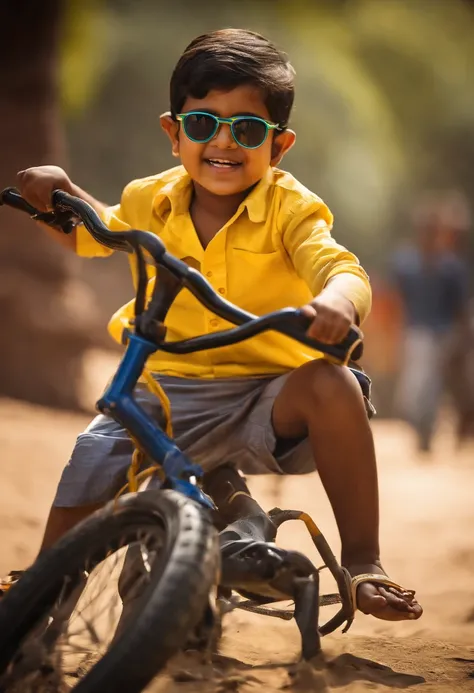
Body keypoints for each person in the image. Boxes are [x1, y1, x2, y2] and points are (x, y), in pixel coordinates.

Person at [4, 29, 421, 622]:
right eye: (203, 124)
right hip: (163, 391)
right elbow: (99, 232)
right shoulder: (150, 200)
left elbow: (340, 266)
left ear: (278, 147)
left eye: (247, 130)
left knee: (336, 384)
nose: (224, 142)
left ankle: (362, 562)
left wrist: (337, 302)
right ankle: (42, 586)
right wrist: (63, 195)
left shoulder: (292, 209)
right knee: (93, 456)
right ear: (174, 134)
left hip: (266, 399)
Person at [392, 192, 470, 453]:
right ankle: (420, 428)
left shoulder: (451, 267)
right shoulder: (407, 263)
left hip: (443, 336)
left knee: (433, 387)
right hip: (415, 333)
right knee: (414, 390)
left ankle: (429, 434)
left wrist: (460, 339)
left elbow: (459, 307)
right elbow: (397, 299)